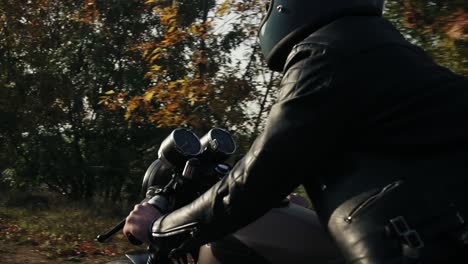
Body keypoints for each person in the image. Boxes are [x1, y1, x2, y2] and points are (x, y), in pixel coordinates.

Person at [123, 0, 468, 263]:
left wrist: (160, 228)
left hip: (419, 245)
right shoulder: (393, 52)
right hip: (440, 232)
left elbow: (249, 183)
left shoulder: (327, 53)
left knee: (233, 241)